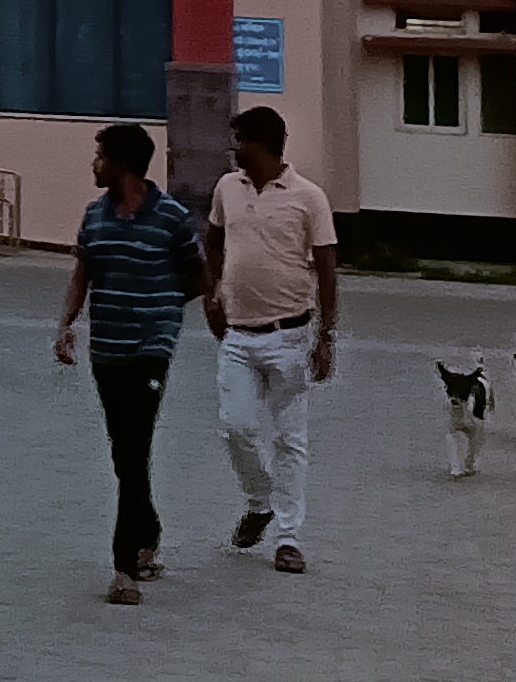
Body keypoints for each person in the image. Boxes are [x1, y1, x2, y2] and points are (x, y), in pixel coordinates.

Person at [49, 119, 206, 602]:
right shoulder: (94, 216)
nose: (93, 165)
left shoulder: (173, 217)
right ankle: (149, 528)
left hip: (150, 349)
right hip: (107, 349)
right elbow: (83, 274)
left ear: (121, 163)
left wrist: (161, 309)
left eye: (99, 157)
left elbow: (198, 278)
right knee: (125, 453)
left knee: (135, 447)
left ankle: (124, 569)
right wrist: (67, 324)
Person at [207, 103, 344, 573]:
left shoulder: (309, 198)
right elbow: (213, 240)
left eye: (240, 139)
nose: (233, 148)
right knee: (235, 426)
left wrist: (326, 336)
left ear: (262, 144)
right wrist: (213, 294)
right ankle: (259, 501)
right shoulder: (228, 187)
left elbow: (327, 269)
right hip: (239, 337)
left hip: (291, 335)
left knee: (291, 439)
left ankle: (287, 537)